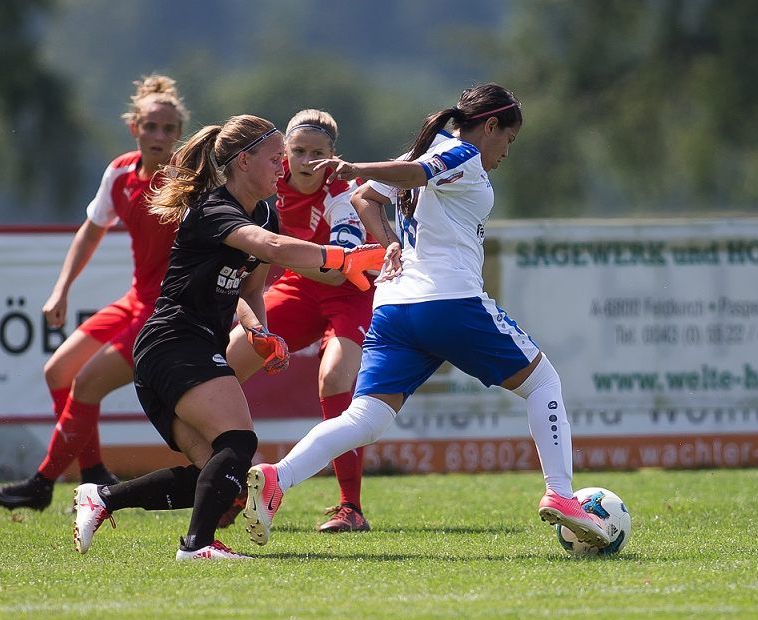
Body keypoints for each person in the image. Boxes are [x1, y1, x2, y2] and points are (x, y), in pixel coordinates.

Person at [243, 83, 611, 550]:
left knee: (367, 418)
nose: (504, 152)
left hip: (394, 307)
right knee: (544, 383)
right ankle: (561, 496)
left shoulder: (425, 148)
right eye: (507, 140)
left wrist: (389, 241)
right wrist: (354, 169)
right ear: (490, 126)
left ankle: (278, 478)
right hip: (449, 301)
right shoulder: (461, 154)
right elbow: (412, 175)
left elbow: (365, 199)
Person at [69, 115, 387, 561]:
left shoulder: (264, 210)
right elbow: (274, 249)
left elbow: (251, 288)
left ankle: (102, 498)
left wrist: (261, 331)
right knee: (238, 444)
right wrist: (342, 258)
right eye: (277, 157)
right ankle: (196, 546)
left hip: (183, 348)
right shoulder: (216, 209)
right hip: (174, 343)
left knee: (219, 476)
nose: (284, 167)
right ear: (243, 162)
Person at [0, 74, 188, 511]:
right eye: (150, 126)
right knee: (57, 372)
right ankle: (94, 471)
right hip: (136, 300)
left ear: (179, 134)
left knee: (85, 384)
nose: (158, 135)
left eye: (168, 129)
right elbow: (91, 232)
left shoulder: (185, 182)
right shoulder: (119, 172)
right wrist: (61, 290)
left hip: (165, 312)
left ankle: (41, 483)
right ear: (133, 126)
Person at [224, 109, 374, 533]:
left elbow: (340, 267)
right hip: (299, 287)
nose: (308, 161)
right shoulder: (270, 181)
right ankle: (231, 481)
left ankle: (351, 508)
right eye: (298, 151)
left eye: (319, 153)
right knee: (223, 369)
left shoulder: (343, 191)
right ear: (284, 153)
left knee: (334, 379)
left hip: (349, 291)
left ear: (333, 156)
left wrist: (275, 252)